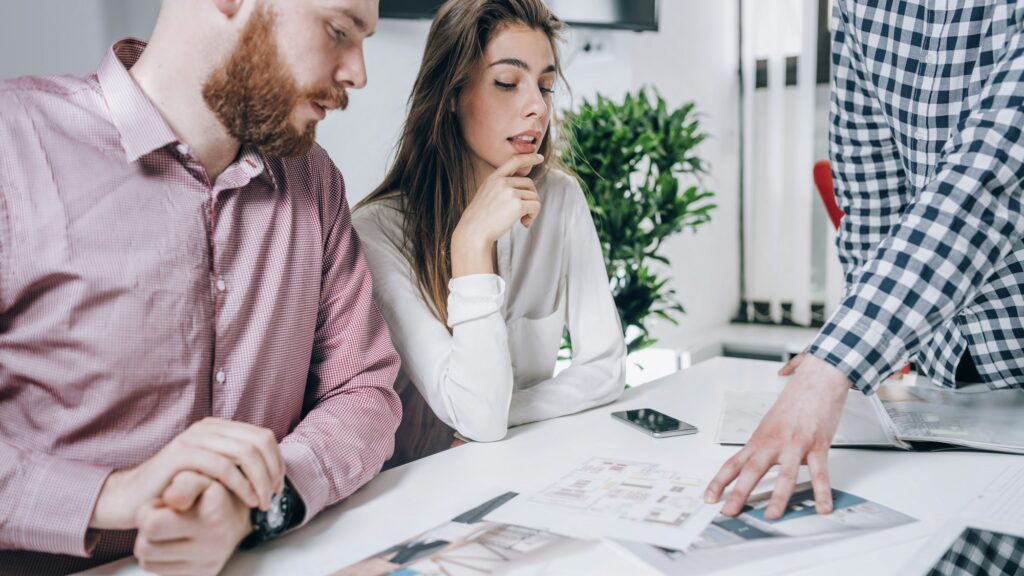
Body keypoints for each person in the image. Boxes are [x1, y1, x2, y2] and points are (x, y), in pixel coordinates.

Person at [0, 0, 401, 573]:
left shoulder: (314, 184)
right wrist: (116, 495)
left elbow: (364, 389)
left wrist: (255, 503)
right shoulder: (12, 145)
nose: (358, 72)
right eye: (338, 29)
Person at [706, 0, 1024, 544]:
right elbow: (871, 194)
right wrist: (867, 353)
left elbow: (983, 185)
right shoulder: (861, 8)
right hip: (951, 375)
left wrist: (837, 360)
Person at [353, 0, 626, 465]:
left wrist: (510, 411)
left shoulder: (559, 198)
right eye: (507, 83)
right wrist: (471, 244)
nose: (537, 107)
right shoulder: (378, 230)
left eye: (545, 86)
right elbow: (476, 417)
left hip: (518, 462)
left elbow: (604, 368)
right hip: (418, 487)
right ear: (453, 93)